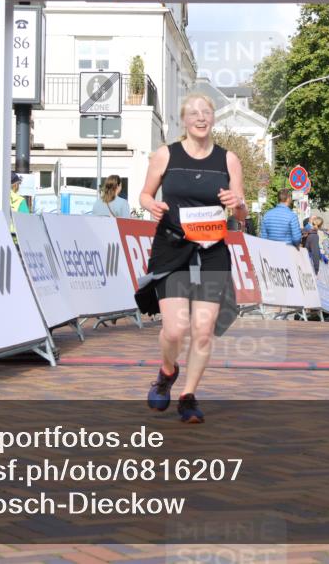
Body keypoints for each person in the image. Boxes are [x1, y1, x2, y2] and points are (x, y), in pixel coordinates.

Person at [137, 93, 246, 424]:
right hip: (172, 247)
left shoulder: (229, 160)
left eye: (207, 112)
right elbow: (145, 193)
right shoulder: (165, 154)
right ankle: (167, 370)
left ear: (213, 118)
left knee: (202, 330)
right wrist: (150, 204)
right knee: (175, 329)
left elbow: (241, 214)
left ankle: (188, 396)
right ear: (183, 120)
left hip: (212, 250)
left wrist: (237, 203)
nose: (201, 118)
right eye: (194, 113)